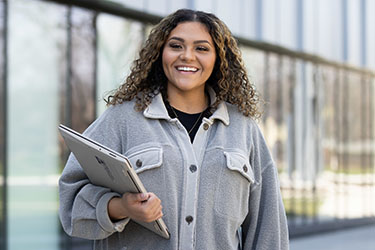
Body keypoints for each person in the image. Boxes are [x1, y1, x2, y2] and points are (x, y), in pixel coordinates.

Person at [59, 8, 289, 250]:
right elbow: (71, 199)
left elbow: (268, 225)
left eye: (202, 48)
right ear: (160, 53)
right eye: (176, 46)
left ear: (218, 59)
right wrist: (122, 207)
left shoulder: (244, 128)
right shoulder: (122, 119)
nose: (187, 56)